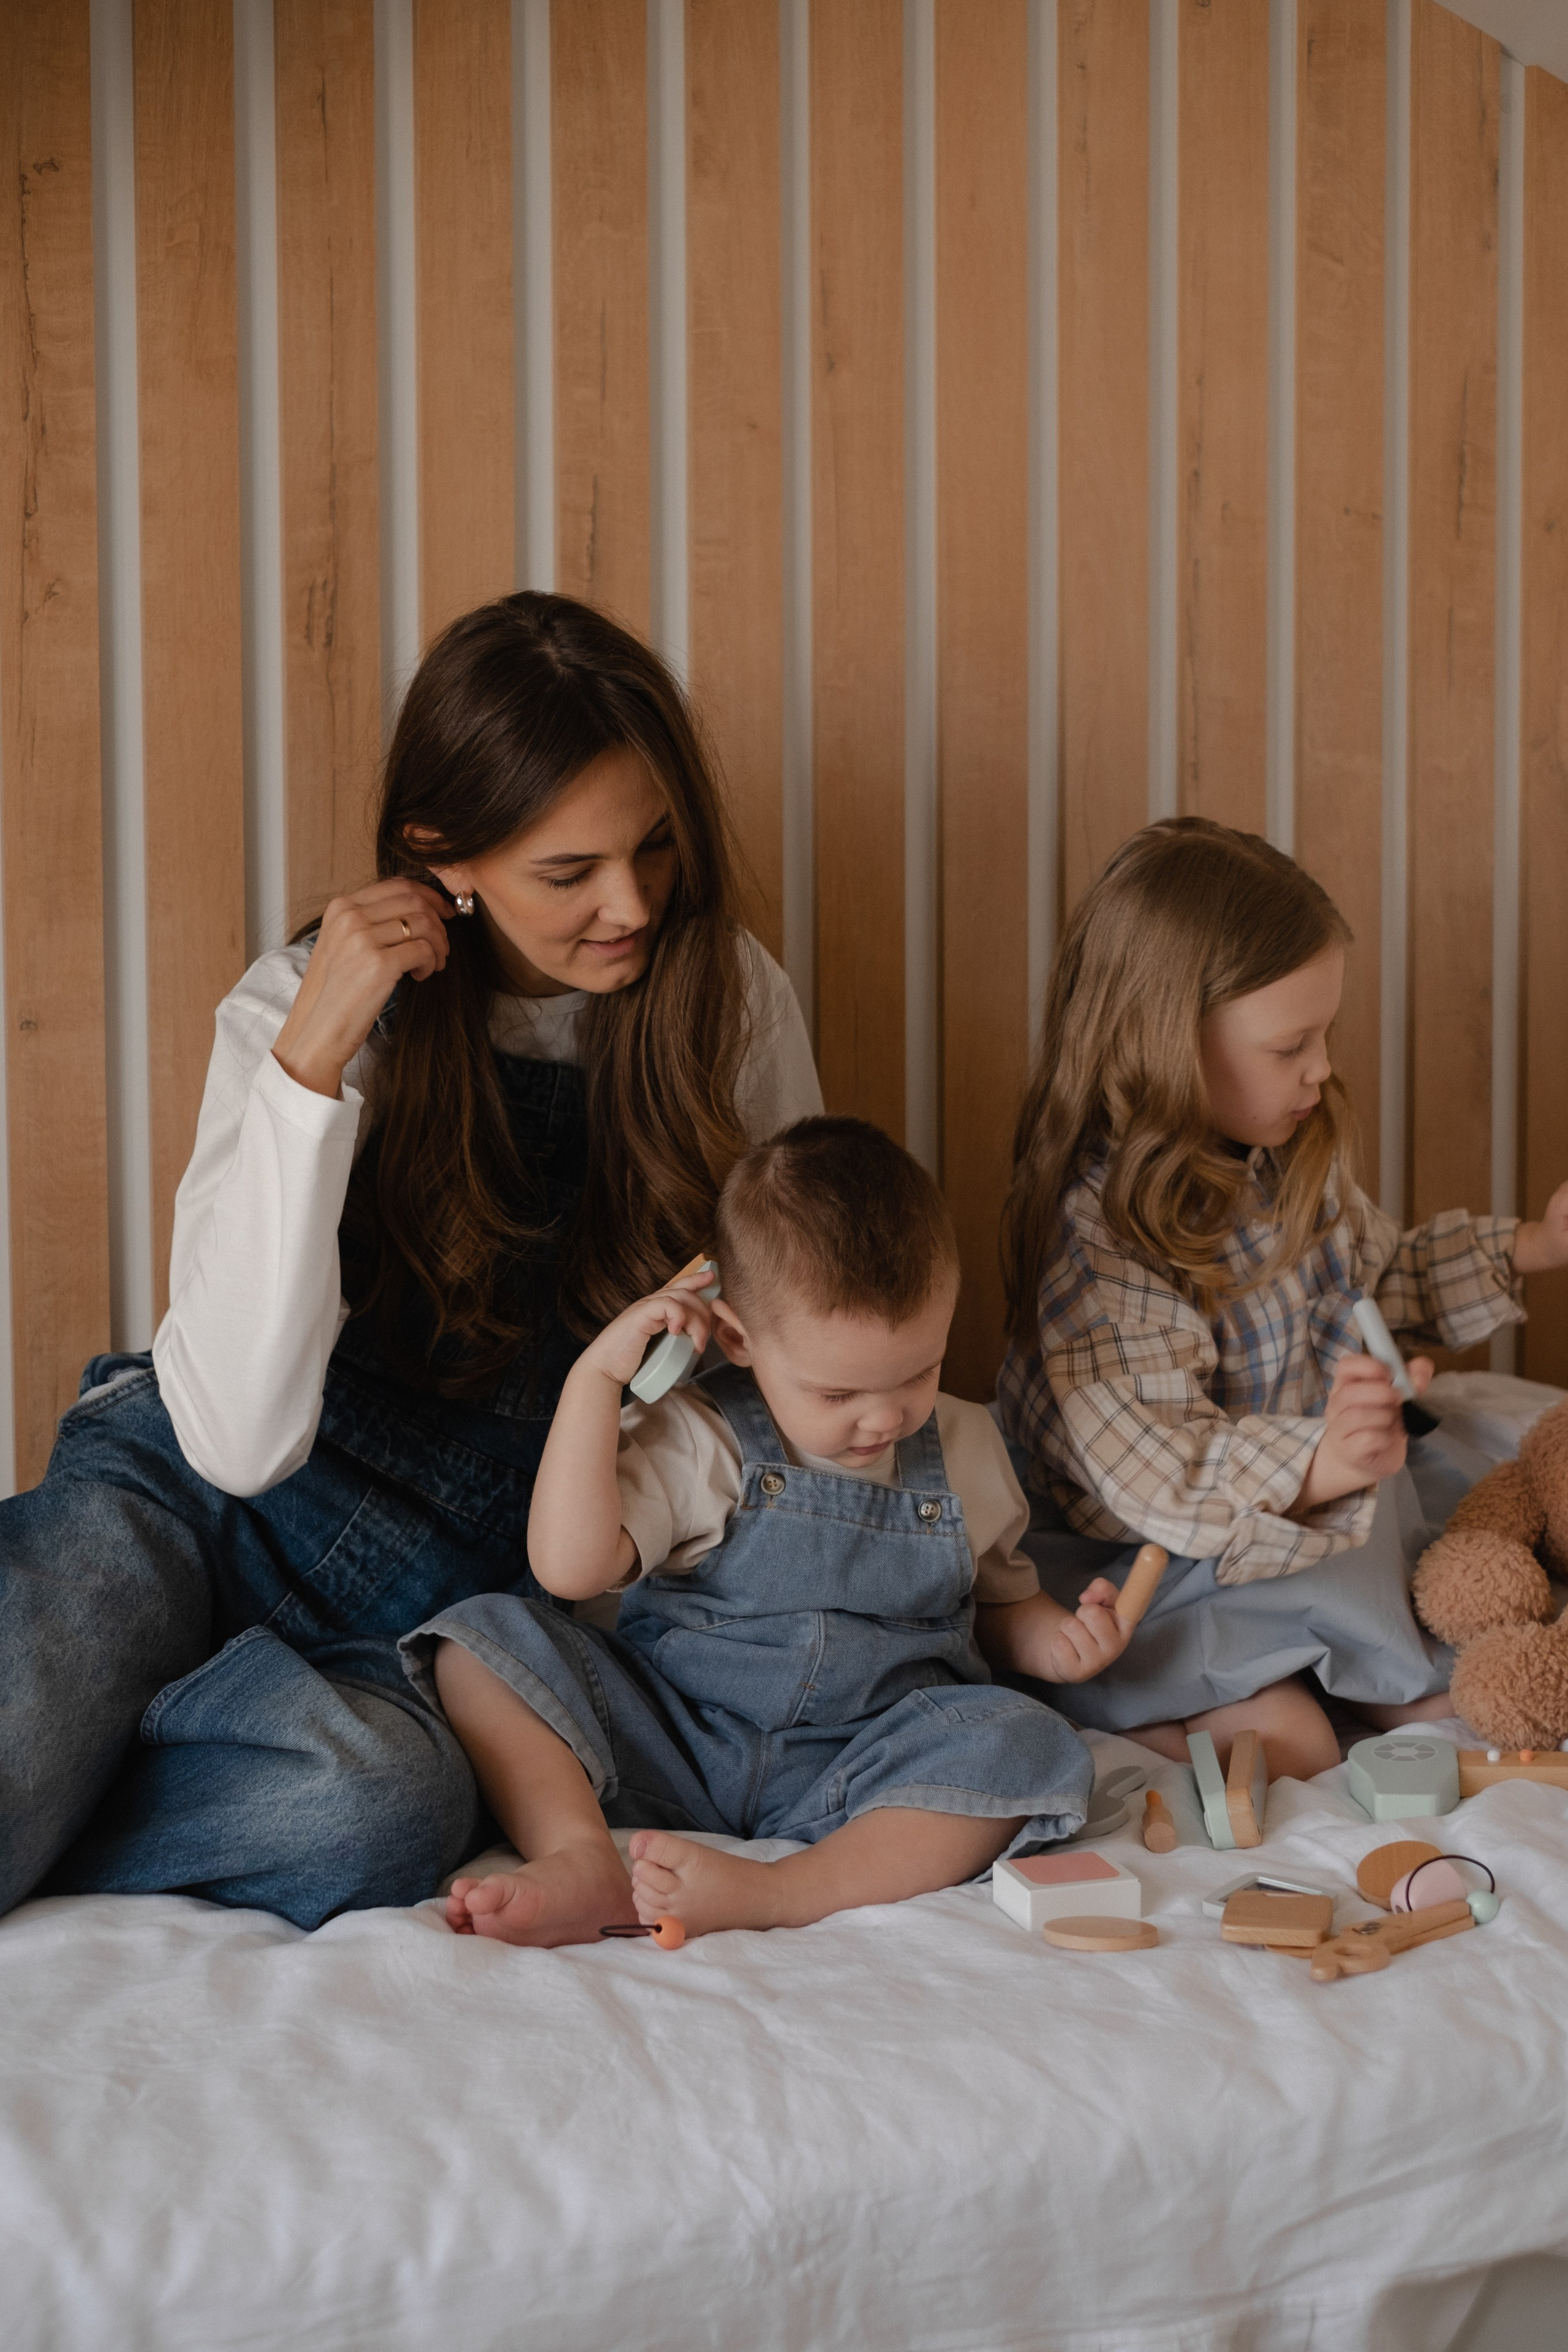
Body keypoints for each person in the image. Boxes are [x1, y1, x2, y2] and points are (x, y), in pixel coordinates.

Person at [1, 593, 821, 1927]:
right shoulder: (308, 1009)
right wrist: (310, 1065)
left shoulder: (728, 1003)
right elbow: (237, 1442)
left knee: (371, 1812)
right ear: (444, 856)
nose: (630, 904)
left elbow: (789, 1347)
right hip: (188, 1500)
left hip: (431, 1622)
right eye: (570, 873)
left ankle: (82, 1775)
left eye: (656, 848)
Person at [400, 1117, 1113, 1947]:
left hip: (862, 1761)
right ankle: (577, 1854)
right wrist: (596, 1380)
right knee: (478, 1640)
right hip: (674, 1739)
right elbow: (569, 1569)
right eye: (837, 1394)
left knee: (1032, 1744)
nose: (883, 1416)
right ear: (738, 1339)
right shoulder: (701, 1437)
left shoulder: (965, 1449)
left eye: (919, 1372)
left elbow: (994, 1600)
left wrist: (1055, 1642)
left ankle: (786, 1890)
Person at [991, 816, 1568, 1782]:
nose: (1323, 1068)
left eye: (1325, 1035)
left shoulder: (1284, 1153)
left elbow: (1376, 1284)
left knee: (1463, 1537)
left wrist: (1534, 1245)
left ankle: (1368, 1665)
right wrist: (1322, 1455)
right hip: (1159, 1552)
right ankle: (1162, 1713)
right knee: (1294, 1741)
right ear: (1166, 1047)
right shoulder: (1098, 1243)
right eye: (1290, 1045)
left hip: (1296, 1491)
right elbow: (1165, 1475)